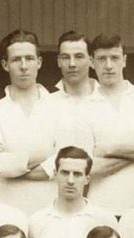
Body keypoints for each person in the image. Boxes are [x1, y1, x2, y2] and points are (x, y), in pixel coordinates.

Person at [0, 29, 58, 215]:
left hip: (52, 208)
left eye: (29, 59)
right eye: (16, 60)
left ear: (39, 62)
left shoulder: (60, 107)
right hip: (8, 209)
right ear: (5, 65)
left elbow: (64, 160)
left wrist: (15, 165)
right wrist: (45, 152)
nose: (24, 66)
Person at [85, 33, 134, 216]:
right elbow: (87, 167)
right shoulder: (83, 107)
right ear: (91, 62)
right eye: (102, 59)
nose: (109, 65)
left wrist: (107, 149)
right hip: (101, 208)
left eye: (114, 58)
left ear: (124, 61)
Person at [28, 146, 119, 238]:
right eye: (65, 173)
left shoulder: (104, 219)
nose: (70, 180)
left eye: (77, 174)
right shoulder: (37, 221)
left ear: (87, 179)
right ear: (55, 174)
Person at [47, 31, 99, 159]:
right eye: (65, 57)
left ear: (91, 60)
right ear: (59, 61)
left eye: (79, 56)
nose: (72, 64)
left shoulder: (106, 100)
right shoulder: (46, 103)